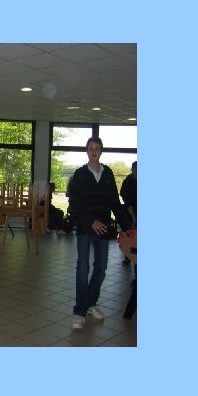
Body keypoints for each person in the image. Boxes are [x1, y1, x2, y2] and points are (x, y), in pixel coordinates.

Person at [68, 137, 131, 330]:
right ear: (87, 151)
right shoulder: (80, 174)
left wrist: (126, 226)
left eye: (97, 148)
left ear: (101, 151)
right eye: (90, 148)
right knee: (83, 268)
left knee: (101, 268)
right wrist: (90, 221)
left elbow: (114, 202)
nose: (94, 151)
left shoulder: (108, 173)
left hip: (103, 228)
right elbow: (75, 204)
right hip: (85, 228)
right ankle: (79, 312)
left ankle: (91, 303)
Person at [119, 161, 137, 265]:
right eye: (135, 171)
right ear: (132, 170)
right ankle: (128, 257)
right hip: (129, 211)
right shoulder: (128, 181)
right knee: (129, 234)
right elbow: (126, 199)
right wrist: (134, 217)